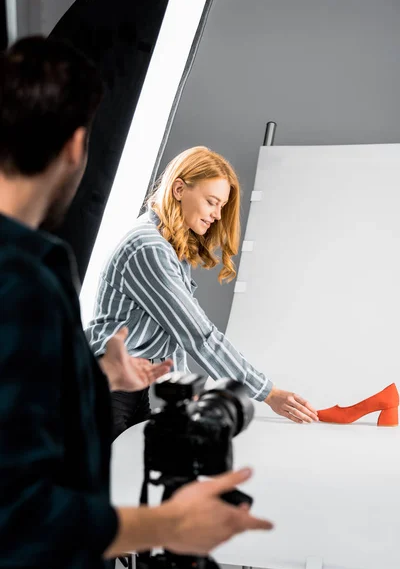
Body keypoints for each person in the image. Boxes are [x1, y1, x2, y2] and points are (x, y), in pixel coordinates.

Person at [0, 36, 273, 569]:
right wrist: (169, 526)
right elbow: (20, 514)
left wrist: (98, 375)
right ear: (77, 146)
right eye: (213, 202)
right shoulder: (25, 277)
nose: (217, 215)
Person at [86, 147, 319, 438]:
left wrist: (187, 392)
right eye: (212, 202)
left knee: (138, 474)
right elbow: (199, 336)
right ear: (180, 189)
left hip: (130, 390)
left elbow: (176, 335)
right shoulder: (149, 248)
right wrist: (268, 392)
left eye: (221, 206)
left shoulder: (168, 248)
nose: (217, 216)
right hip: (106, 390)